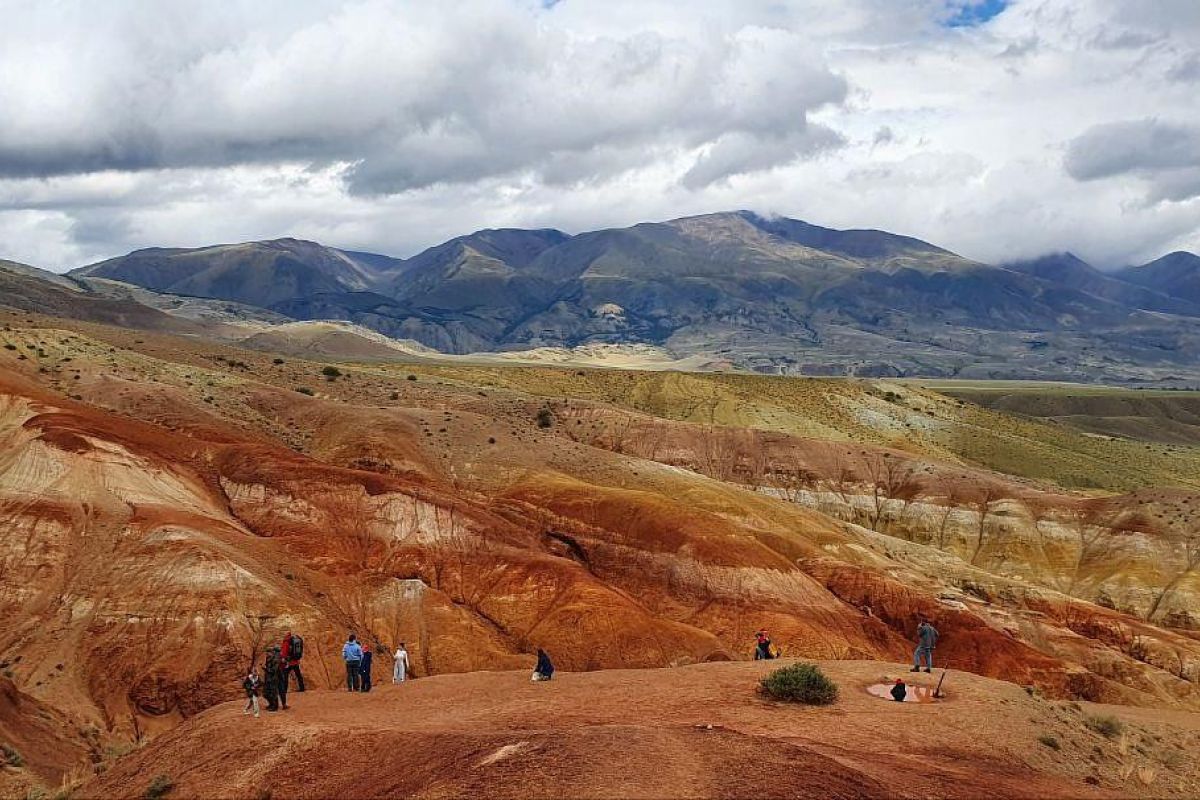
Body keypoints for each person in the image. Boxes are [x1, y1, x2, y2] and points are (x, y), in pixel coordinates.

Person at [262, 645, 283, 712]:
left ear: (272, 652)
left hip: (273, 678)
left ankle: (275, 706)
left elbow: (274, 670)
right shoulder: (268, 658)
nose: (267, 653)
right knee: (266, 693)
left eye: (268, 652)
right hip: (268, 678)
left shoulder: (275, 660)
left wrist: (265, 668)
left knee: (273, 693)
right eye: (267, 652)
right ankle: (271, 704)